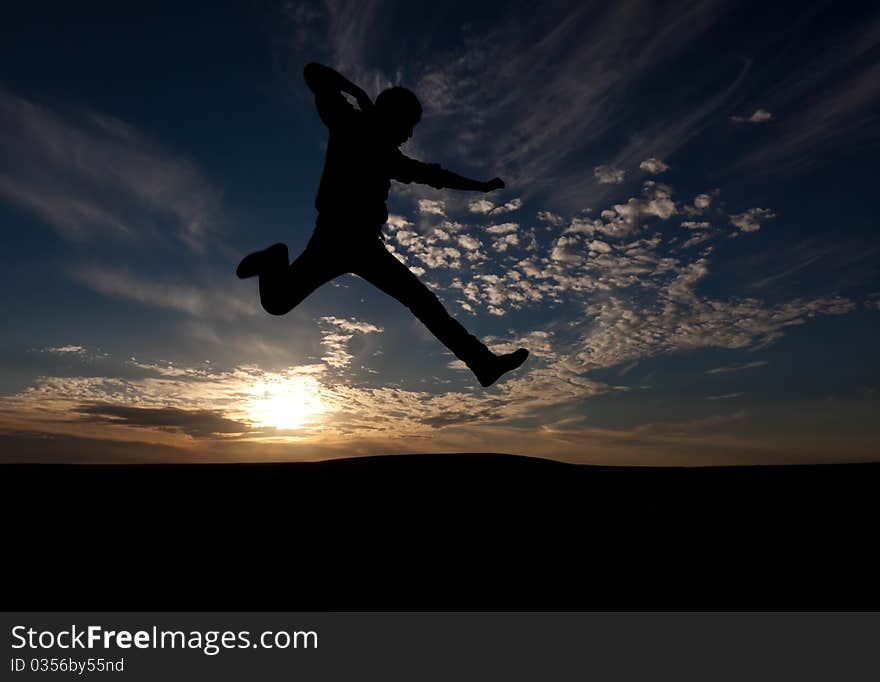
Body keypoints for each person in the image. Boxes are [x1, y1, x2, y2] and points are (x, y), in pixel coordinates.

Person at [237, 62, 528, 387]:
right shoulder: (347, 122)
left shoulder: (382, 149)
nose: (410, 134)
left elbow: (435, 176)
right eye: (409, 124)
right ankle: (275, 259)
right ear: (393, 117)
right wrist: (359, 93)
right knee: (279, 303)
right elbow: (313, 72)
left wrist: (481, 186)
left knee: (421, 302)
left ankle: (483, 364)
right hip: (334, 239)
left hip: (363, 244)